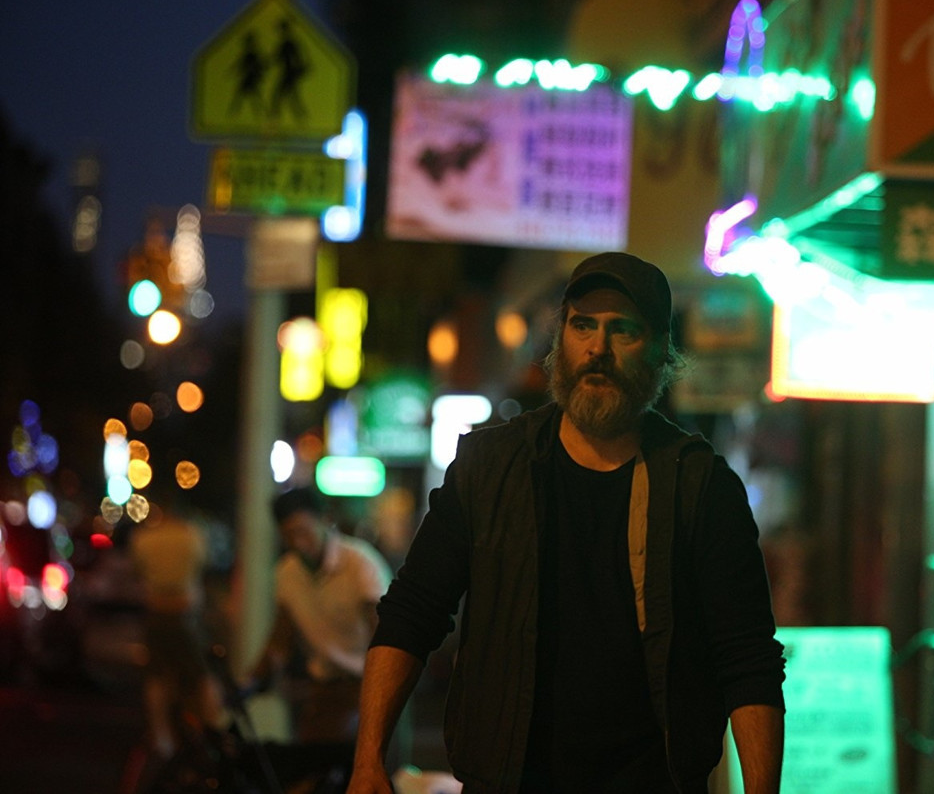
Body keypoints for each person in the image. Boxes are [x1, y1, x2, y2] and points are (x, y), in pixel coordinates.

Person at [348, 252, 786, 794]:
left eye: (623, 330)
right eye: (583, 326)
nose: (598, 349)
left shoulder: (699, 484)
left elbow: (747, 657)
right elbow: (413, 612)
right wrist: (368, 761)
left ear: (659, 351)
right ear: (561, 341)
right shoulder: (490, 467)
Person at [247, 486, 393, 746]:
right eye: (289, 535)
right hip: (324, 687)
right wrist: (252, 679)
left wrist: (379, 692)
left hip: (371, 684)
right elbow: (281, 636)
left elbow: (383, 632)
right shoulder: (287, 573)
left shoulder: (360, 564)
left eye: (303, 531)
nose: (298, 543)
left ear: (325, 520)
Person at [128, 506, 224, 760]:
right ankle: (213, 730)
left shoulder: (144, 538)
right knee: (203, 674)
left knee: (157, 675)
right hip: (186, 612)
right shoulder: (193, 536)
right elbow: (205, 567)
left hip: (157, 610)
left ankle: (162, 737)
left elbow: (137, 571)